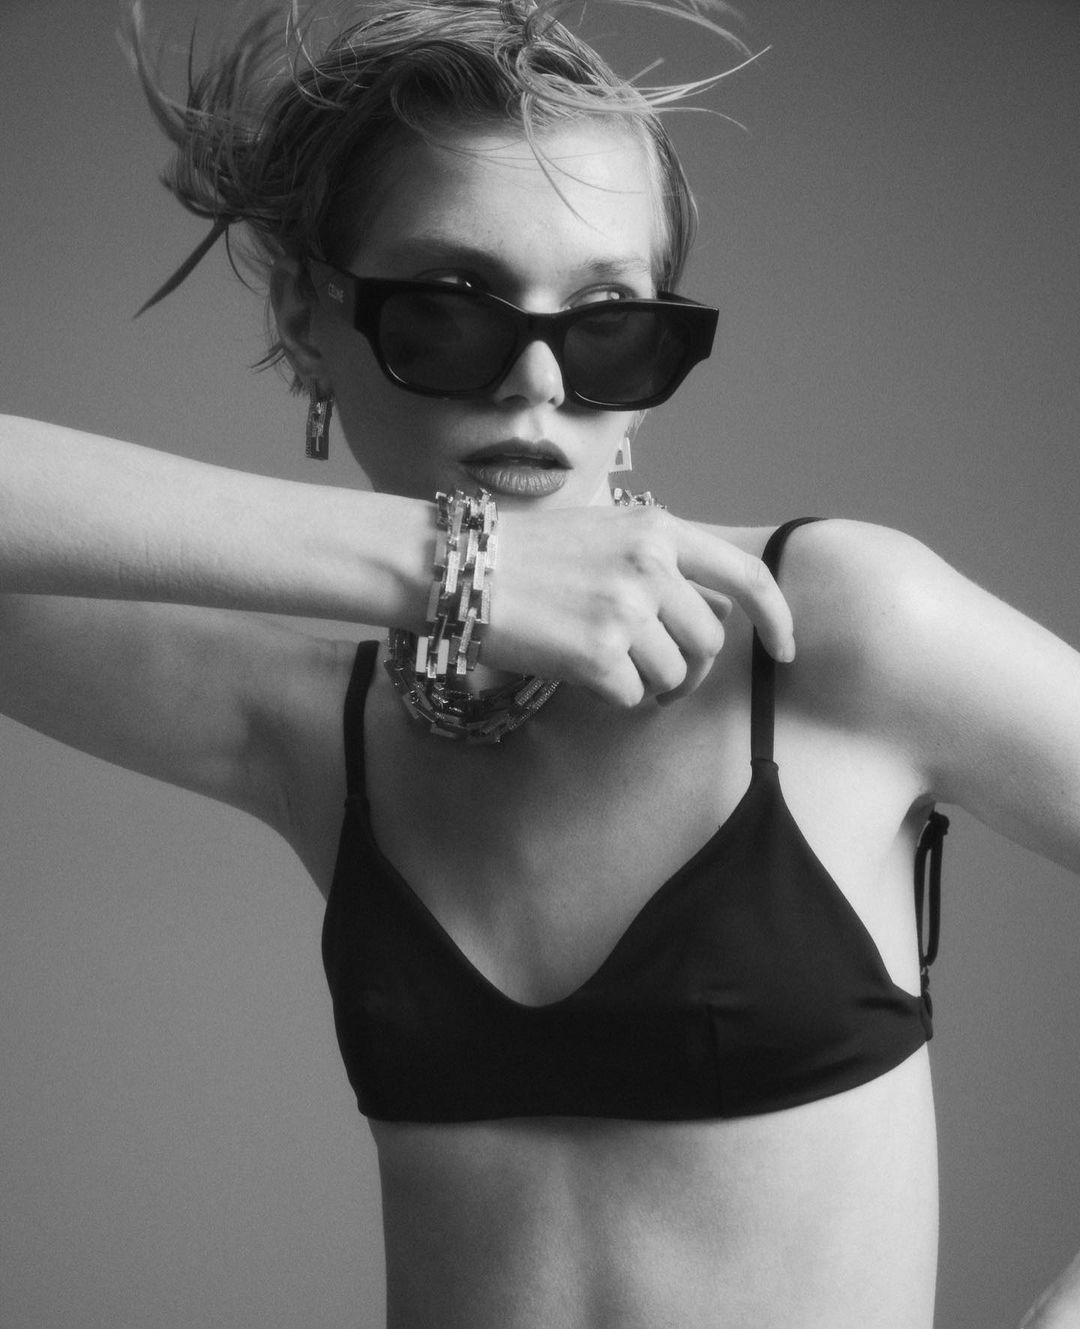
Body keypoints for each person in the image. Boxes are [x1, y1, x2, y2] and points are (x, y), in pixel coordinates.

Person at [1, 1, 1078, 1326]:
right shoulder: (320, 727)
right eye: (448, 311)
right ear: (307, 315)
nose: (536, 383)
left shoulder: (824, 628)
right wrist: (443, 563)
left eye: (610, 324)